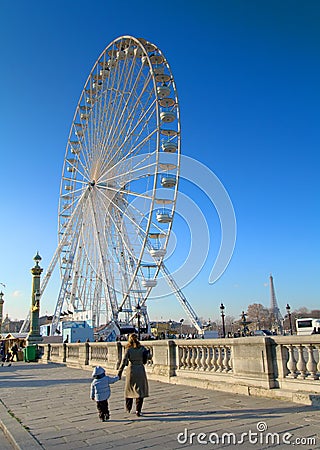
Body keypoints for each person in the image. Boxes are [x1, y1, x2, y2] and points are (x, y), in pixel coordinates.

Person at [117, 333, 151, 417]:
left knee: (129, 389)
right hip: (140, 369)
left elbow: (124, 361)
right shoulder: (142, 348)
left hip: (131, 369)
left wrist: (119, 372)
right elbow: (149, 357)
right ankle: (138, 410)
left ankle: (128, 407)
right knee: (140, 391)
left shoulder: (128, 349)